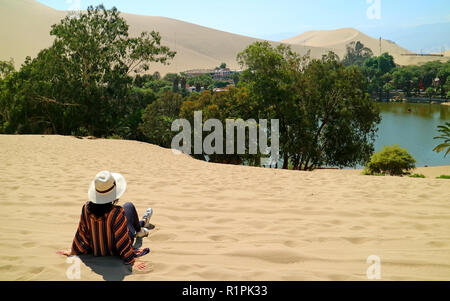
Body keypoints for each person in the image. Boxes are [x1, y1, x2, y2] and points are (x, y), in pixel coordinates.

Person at [57, 171, 154, 271]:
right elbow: (122, 240)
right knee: (128, 206)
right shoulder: (117, 212)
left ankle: (142, 223)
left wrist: (73, 251)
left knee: (128, 218)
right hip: (115, 251)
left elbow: (81, 234)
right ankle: (140, 229)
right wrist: (131, 261)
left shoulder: (86, 208)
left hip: (96, 249)